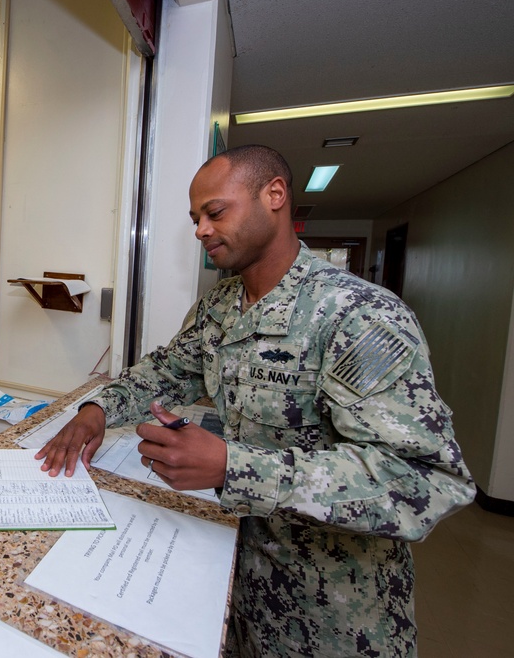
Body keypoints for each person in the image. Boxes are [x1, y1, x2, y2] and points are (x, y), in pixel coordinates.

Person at [37, 145, 475, 656]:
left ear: (274, 195)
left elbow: (422, 479)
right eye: (195, 218)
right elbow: (168, 371)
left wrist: (233, 466)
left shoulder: (357, 314)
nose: (200, 229)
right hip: (235, 578)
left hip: (330, 613)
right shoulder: (221, 306)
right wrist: (97, 411)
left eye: (215, 212)